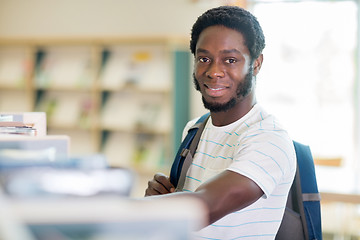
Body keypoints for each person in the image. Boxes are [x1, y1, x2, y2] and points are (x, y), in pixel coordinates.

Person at [145, 5, 296, 240]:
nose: (214, 71)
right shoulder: (195, 129)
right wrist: (161, 198)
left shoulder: (269, 139)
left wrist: (129, 210)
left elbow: (202, 207)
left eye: (230, 60)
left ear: (256, 64)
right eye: (204, 58)